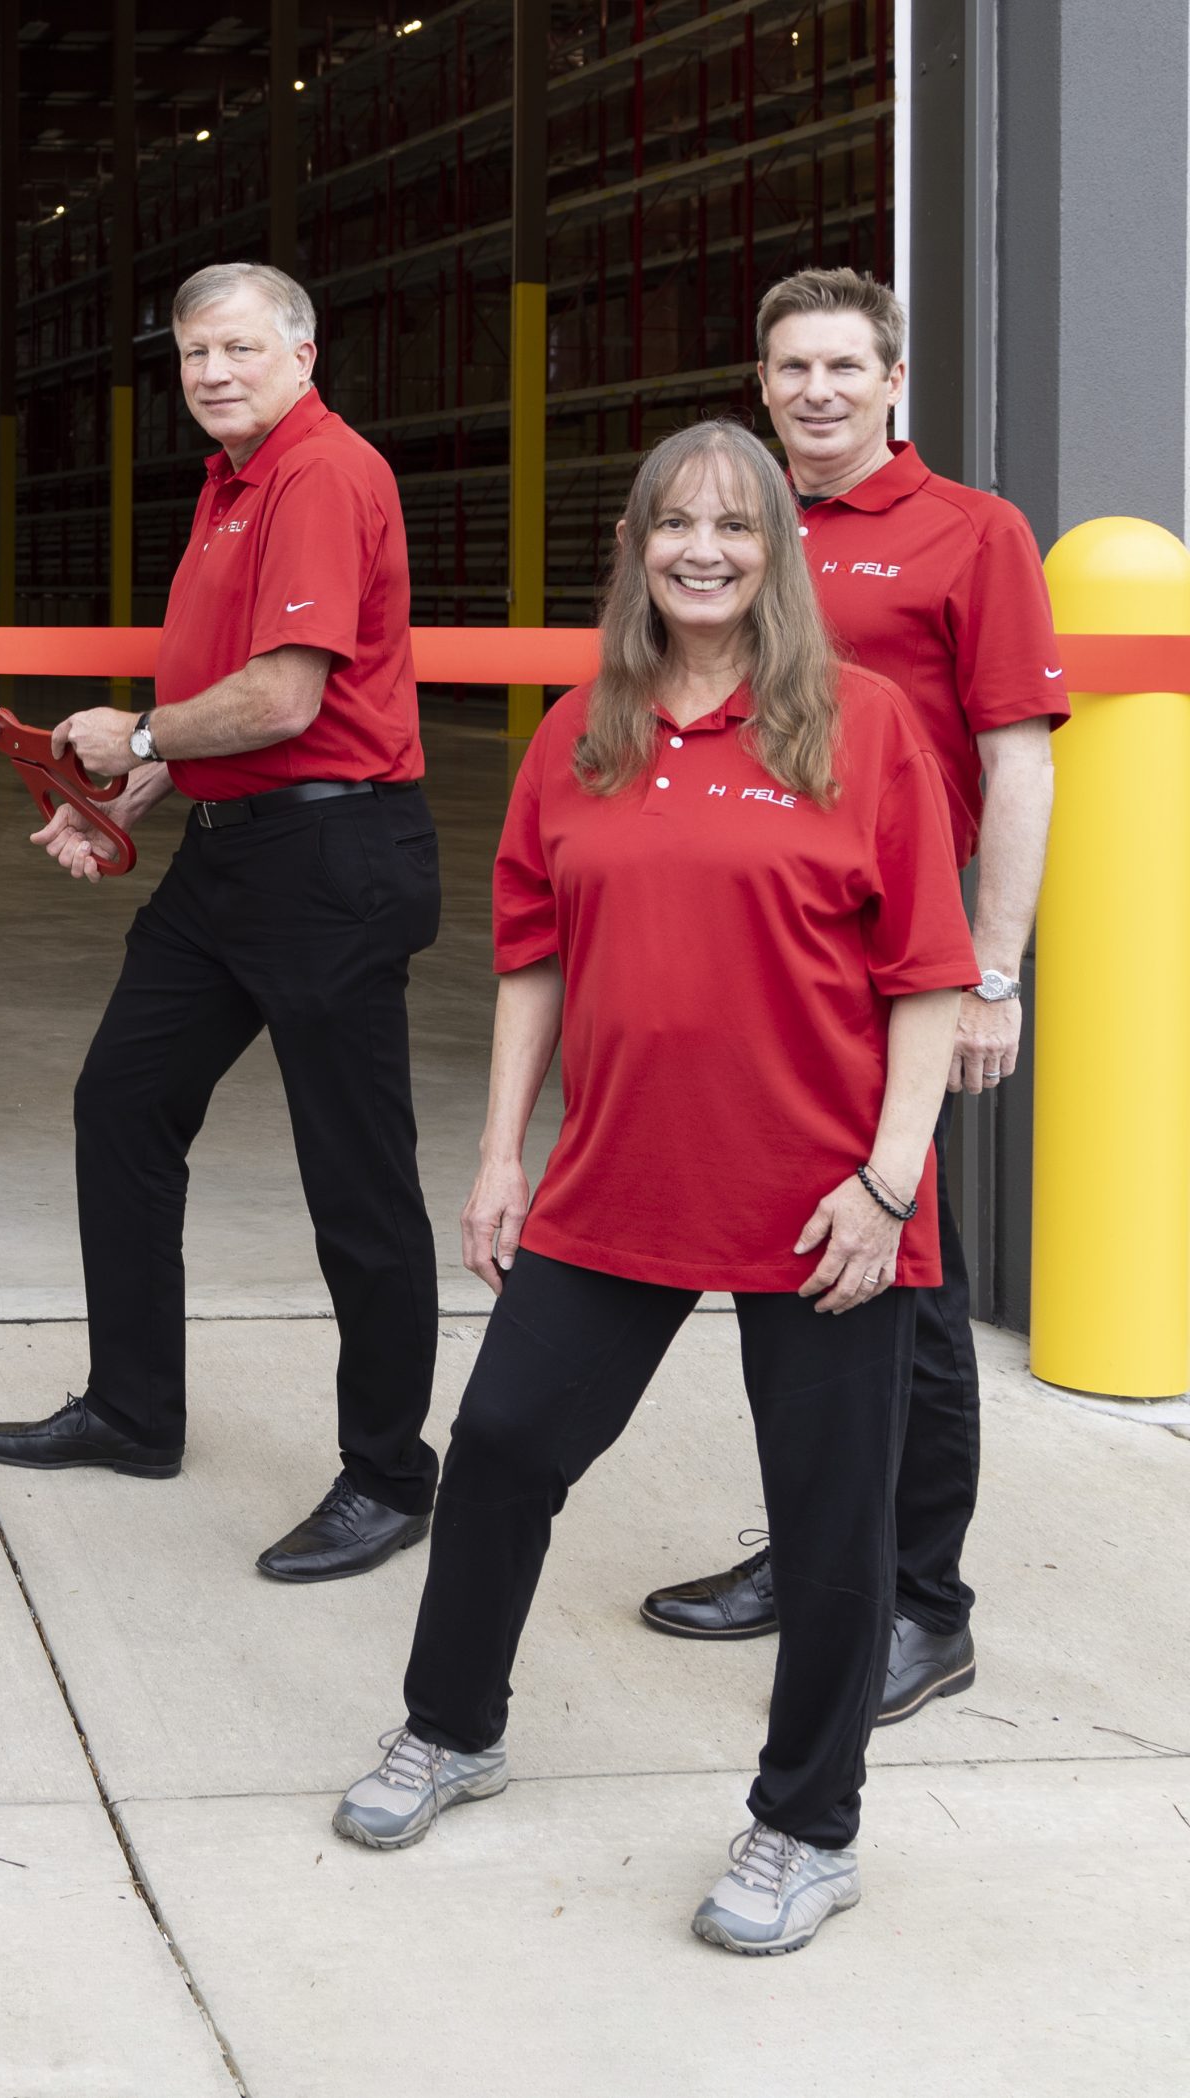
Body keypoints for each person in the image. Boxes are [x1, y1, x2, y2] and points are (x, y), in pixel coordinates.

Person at [329, 420, 973, 1956]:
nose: (703, 549)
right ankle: (453, 1723)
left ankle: (808, 1825)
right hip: (618, 1175)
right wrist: (499, 1153)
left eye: (735, 526)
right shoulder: (582, 732)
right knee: (497, 1447)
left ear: (777, 552)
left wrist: (888, 1185)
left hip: (827, 1198)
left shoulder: (863, 725)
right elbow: (533, 955)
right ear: (634, 546)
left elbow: (930, 977)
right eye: (673, 523)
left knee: (833, 1529)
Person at [0, 261, 444, 1583]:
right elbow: (233, 700)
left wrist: (140, 729)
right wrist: (133, 784)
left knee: (357, 1179)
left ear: (302, 350)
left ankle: (392, 1474)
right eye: (191, 356)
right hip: (236, 855)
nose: (212, 373)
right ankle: (132, 1407)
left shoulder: (323, 475)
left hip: (335, 858)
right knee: (123, 1100)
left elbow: (288, 699)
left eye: (237, 347)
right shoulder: (231, 484)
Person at [638, 270, 1062, 1728]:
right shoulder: (740, 527)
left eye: (841, 366)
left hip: (910, 973)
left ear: (892, 379)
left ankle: (921, 1605)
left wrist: (995, 970)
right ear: (761, 386)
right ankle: (820, 1554)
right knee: (787, 1271)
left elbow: (1018, 762)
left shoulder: (974, 533)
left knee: (911, 1293)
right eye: (789, 368)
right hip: (769, 977)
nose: (815, 391)